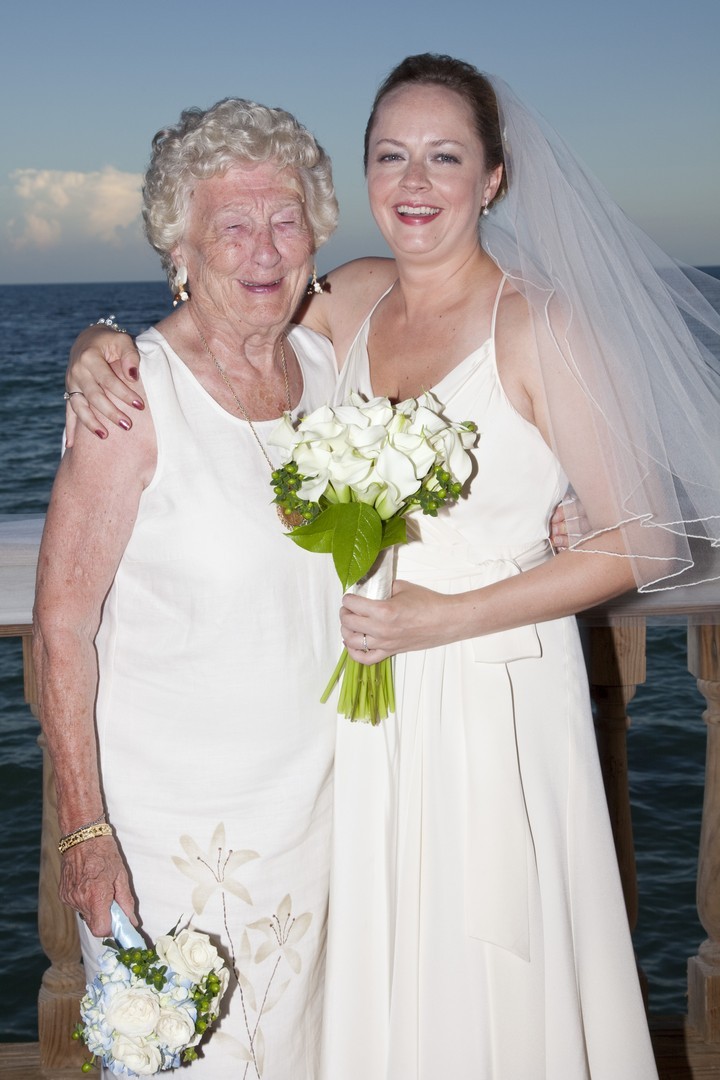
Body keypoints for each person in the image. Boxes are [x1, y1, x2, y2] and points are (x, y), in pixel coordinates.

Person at [63, 55, 720, 1079]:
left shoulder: (542, 324)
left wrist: (448, 615)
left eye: (445, 157)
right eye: (391, 156)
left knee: (487, 988)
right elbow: (222, 315)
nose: (415, 182)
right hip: (368, 731)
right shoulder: (355, 301)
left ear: (492, 178)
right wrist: (101, 344)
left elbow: (648, 540)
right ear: (365, 174)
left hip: (490, 704)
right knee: (382, 997)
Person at [33, 98, 341, 1080]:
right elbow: (61, 630)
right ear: (181, 249)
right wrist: (86, 833)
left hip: (320, 822)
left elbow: (452, 287)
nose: (264, 249)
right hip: (174, 839)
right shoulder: (133, 397)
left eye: (286, 219)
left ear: (317, 234)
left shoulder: (331, 368)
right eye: (232, 225)